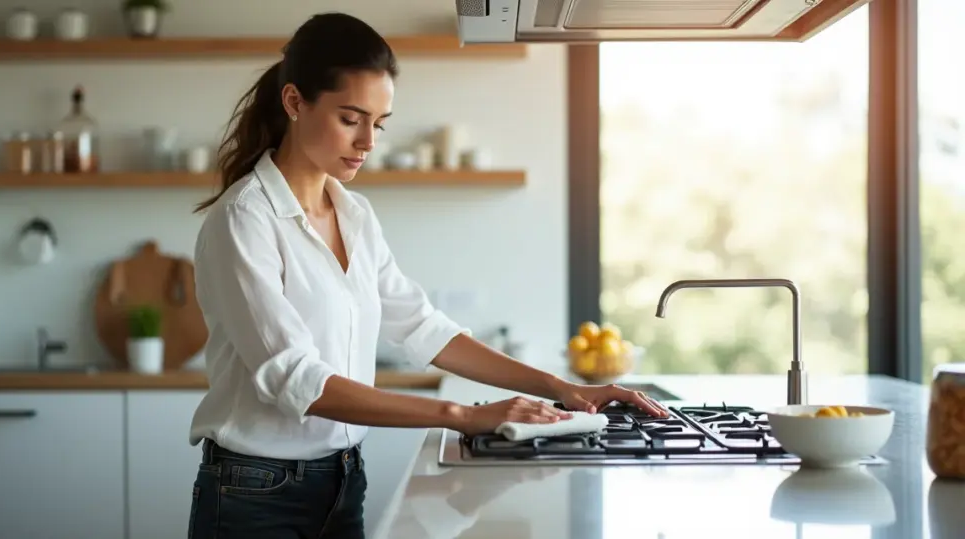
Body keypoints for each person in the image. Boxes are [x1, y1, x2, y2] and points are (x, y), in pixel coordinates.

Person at [185, 11, 670, 539]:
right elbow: (296, 379)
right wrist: (460, 414)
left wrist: (563, 387)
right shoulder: (243, 220)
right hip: (255, 492)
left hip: (344, 480)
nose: (369, 140)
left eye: (379, 122)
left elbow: (423, 328)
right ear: (295, 102)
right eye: (351, 118)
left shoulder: (355, 215)